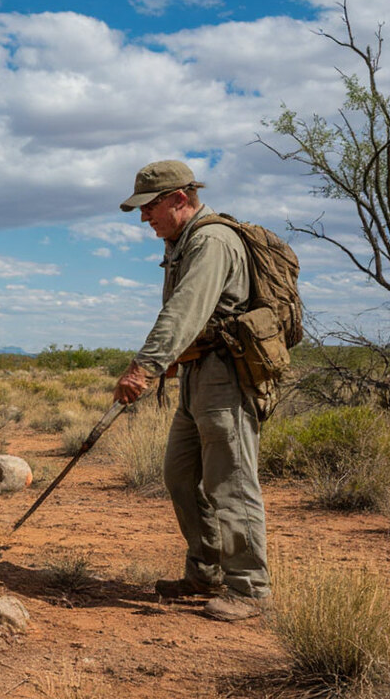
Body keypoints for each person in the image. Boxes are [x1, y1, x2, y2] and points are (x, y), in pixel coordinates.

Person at [113, 160, 271, 622]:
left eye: (150, 207)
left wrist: (143, 368)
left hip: (226, 377)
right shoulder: (181, 242)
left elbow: (185, 310)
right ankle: (205, 572)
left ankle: (249, 588)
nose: (145, 218)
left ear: (179, 199)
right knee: (180, 474)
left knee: (231, 483)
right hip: (196, 374)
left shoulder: (211, 240)